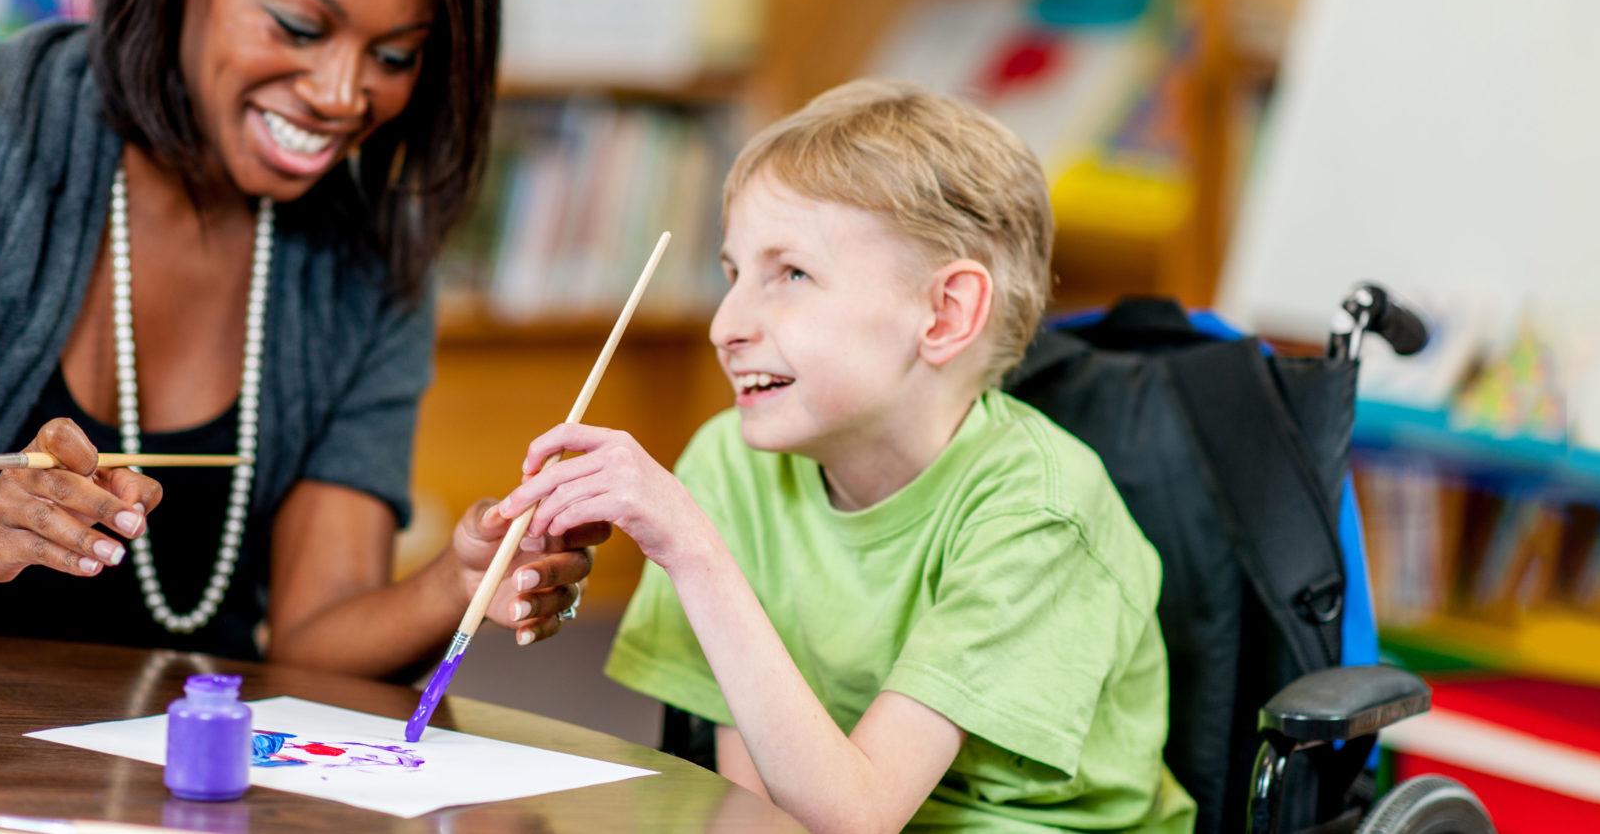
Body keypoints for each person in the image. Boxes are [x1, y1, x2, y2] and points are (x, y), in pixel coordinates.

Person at [0, 0, 602, 674]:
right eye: (299, 24)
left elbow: (313, 639)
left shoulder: (367, 252)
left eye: (395, 56)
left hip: (194, 779)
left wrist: (464, 578)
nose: (343, 95)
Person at [495, 81, 1196, 831]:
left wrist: (691, 548)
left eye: (790, 274)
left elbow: (855, 819)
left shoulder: (1040, 512)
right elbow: (761, 808)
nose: (725, 326)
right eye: (732, 274)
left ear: (945, 313)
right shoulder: (731, 465)